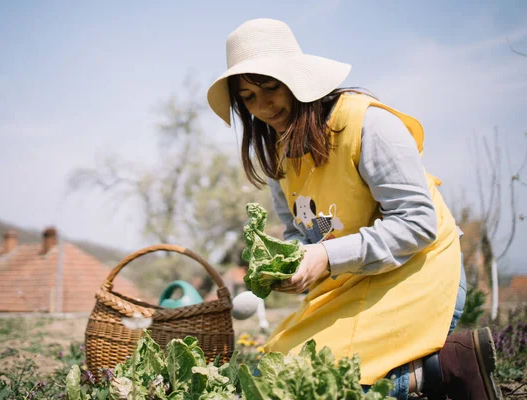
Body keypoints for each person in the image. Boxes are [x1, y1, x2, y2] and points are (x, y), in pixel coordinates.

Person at [206, 18, 502, 400]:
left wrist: (326, 256)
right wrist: (292, 264)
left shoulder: (368, 124)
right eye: (247, 97)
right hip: (353, 281)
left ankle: (442, 368)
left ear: (295, 79)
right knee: (270, 374)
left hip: (419, 271)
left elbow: (418, 223)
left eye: (270, 87)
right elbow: (300, 233)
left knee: (319, 388)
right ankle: (438, 365)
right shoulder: (281, 155)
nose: (262, 106)